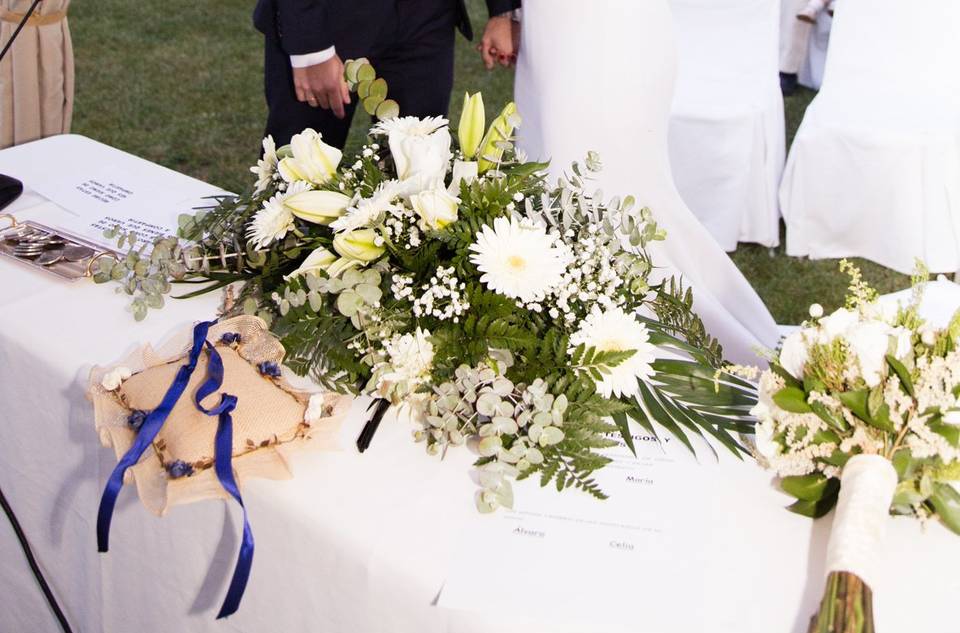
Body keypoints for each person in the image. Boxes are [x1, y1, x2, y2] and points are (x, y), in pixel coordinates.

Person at [479, 0, 780, 366]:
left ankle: (620, 338)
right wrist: (505, 12)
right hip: (550, 27)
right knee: (551, 180)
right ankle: (565, 334)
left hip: (613, 29)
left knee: (613, 187)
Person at [254, 0, 520, 149]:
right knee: (298, 182)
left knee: (420, 182)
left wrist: (503, 9)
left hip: (427, 20)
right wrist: (310, 47)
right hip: (326, 20)